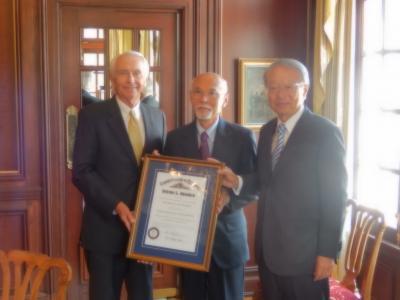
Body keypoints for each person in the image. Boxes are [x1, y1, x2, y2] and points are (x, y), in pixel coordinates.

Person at [219, 59, 347, 300]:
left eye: (289, 87)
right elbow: (265, 180)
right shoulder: (267, 131)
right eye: (274, 87)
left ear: (305, 90)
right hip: (269, 251)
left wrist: (327, 253)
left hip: (306, 255)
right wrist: (237, 181)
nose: (280, 94)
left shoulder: (325, 133)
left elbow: (335, 198)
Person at [72, 51, 166, 300]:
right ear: (112, 78)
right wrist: (117, 205)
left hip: (144, 232)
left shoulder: (157, 117)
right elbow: (82, 172)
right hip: (105, 230)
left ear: (145, 78)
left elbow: (161, 171)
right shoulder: (93, 116)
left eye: (137, 73)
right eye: (123, 72)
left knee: (143, 296)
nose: (131, 79)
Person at [164, 72, 257, 300]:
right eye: (198, 92)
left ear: (225, 100)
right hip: (187, 242)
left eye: (212, 93)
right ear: (190, 97)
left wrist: (228, 197)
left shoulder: (243, 137)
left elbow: (255, 185)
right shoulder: (174, 138)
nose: (204, 99)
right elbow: (168, 184)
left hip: (227, 241)